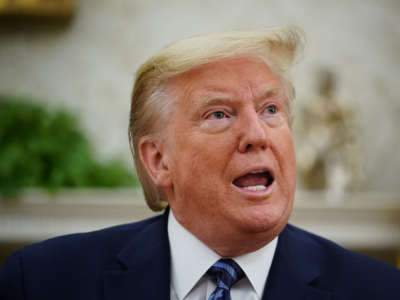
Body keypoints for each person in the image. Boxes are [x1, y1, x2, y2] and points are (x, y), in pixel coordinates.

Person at [1, 27, 399, 300]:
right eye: (219, 114)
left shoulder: (380, 291)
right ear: (159, 161)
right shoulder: (40, 282)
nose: (257, 134)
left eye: (270, 109)